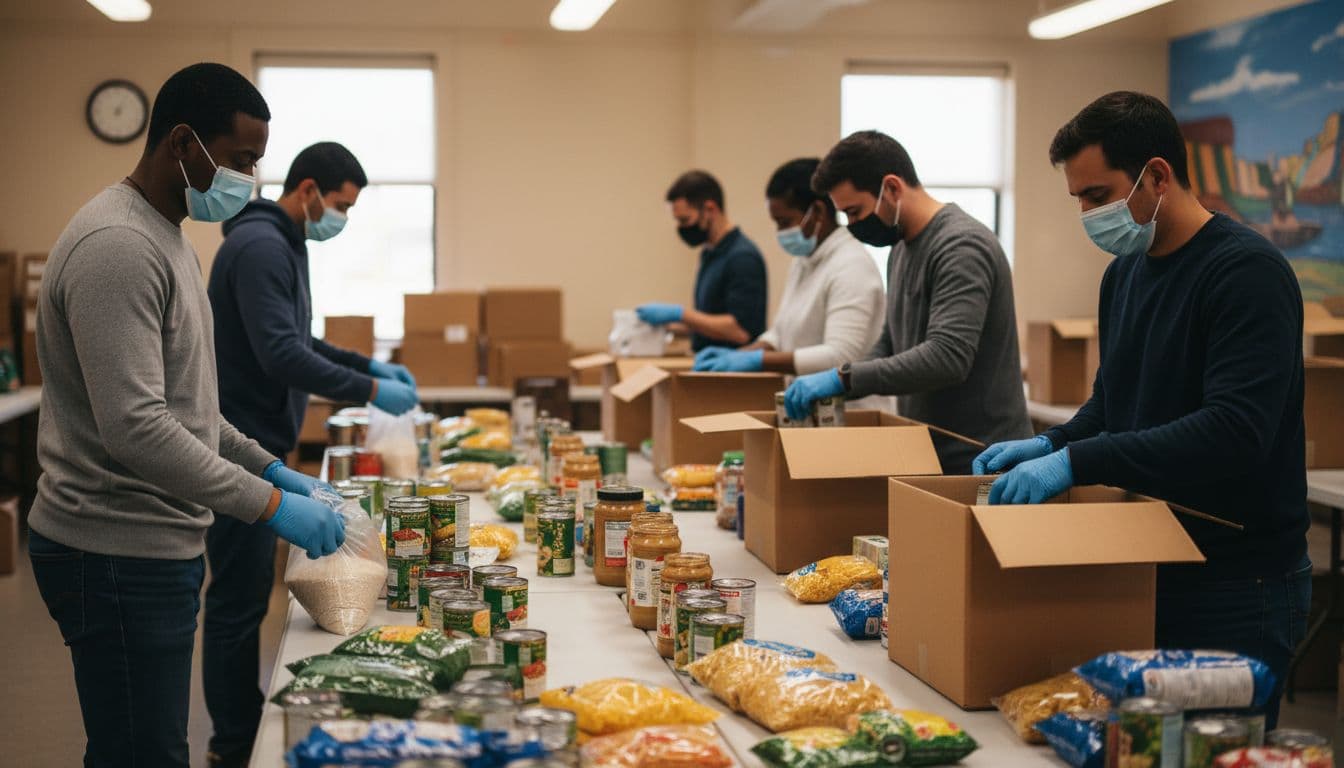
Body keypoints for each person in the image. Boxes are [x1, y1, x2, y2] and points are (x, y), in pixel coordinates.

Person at [27, 63, 344, 768]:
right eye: (239, 161)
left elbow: (191, 406)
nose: (249, 180)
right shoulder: (120, 247)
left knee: (146, 743)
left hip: (152, 543)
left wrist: (269, 466)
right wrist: (267, 505)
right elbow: (138, 427)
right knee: (144, 752)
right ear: (181, 143)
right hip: (111, 549)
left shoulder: (167, 235)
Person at [973, 91, 1311, 727]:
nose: (1087, 214)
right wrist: (1053, 444)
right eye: (1077, 199)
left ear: (1157, 175)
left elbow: (1234, 432)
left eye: (1098, 196)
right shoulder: (1124, 274)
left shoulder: (1247, 273)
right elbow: (1113, 400)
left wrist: (1079, 461)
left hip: (1238, 582)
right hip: (1149, 560)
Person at [204, 141, 418, 767]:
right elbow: (282, 356)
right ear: (308, 191)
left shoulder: (281, 244)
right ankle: (234, 743)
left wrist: (365, 363)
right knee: (238, 602)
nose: (341, 219)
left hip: (262, 439)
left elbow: (302, 339)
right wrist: (373, 389)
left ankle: (239, 732)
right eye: (340, 206)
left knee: (247, 598)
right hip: (240, 445)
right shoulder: (262, 247)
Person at [784, 131, 1031, 472]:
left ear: (892, 188)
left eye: (855, 212)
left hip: (982, 458)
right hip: (931, 449)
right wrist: (841, 384)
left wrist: (844, 378)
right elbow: (891, 339)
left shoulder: (960, 247)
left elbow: (948, 357)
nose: (854, 226)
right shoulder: (900, 248)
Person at [694, 158, 885, 375]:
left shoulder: (851, 266)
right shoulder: (804, 260)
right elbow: (781, 332)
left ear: (818, 212)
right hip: (810, 401)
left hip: (853, 406)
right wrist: (745, 353)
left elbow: (840, 356)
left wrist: (759, 360)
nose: (780, 232)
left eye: (785, 222)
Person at [638, 170, 767, 351]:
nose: (681, 228)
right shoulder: (709, 254)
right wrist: (667, 325)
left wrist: (681, 314)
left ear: (710, 209)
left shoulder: (742, 258)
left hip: (733, 372)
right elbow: (709, 322)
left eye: (685, 220)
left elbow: (740, 331)